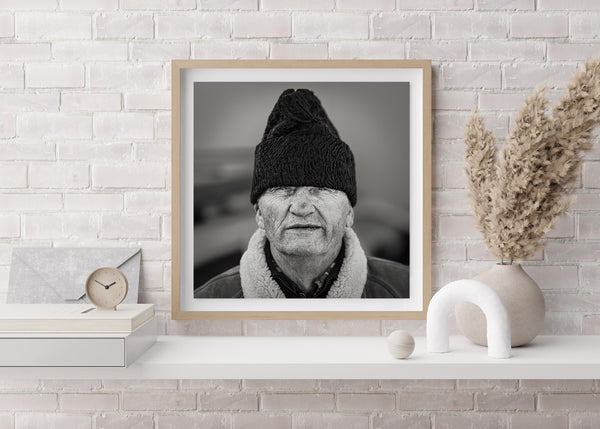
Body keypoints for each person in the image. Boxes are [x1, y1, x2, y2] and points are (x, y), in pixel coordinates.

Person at [195, 88, 409, 298]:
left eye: (322, 188)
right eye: (283, 189)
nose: (301, 207)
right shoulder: (209, 302)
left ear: (349, 213)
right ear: (259, 213)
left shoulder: (409, 292)